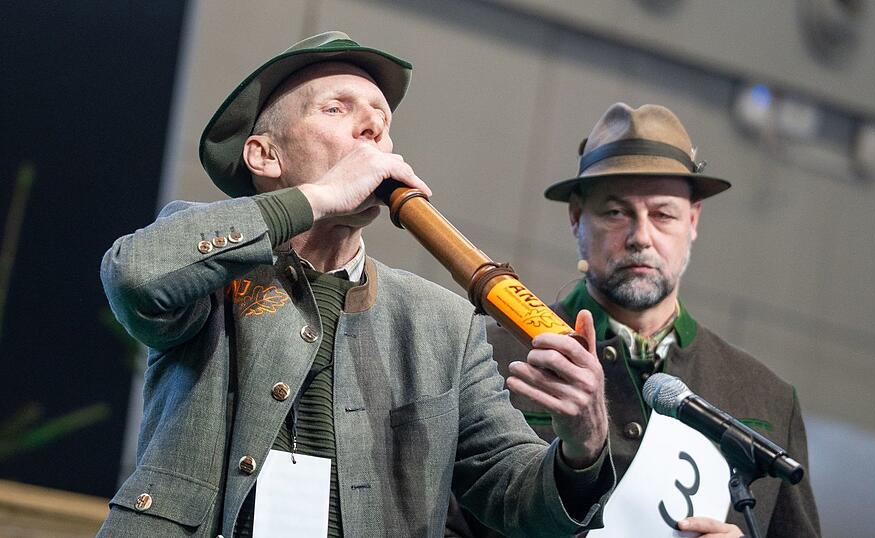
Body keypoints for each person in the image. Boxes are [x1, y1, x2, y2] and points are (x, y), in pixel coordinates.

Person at [97, 31, 614, 538]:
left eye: (382, 121)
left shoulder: (443, 324)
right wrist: (320, 197)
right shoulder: (213, 267)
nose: (372, 128)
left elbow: (516, 496)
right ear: (264, 156)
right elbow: (136, 275)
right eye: (335, 109)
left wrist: (583, 448)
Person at [447, 103, 821, 537]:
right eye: (616, 213)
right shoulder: (489, 358)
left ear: (693, 220)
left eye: (663, 214)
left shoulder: (769, 400)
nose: (641, 236)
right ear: (576, 218)